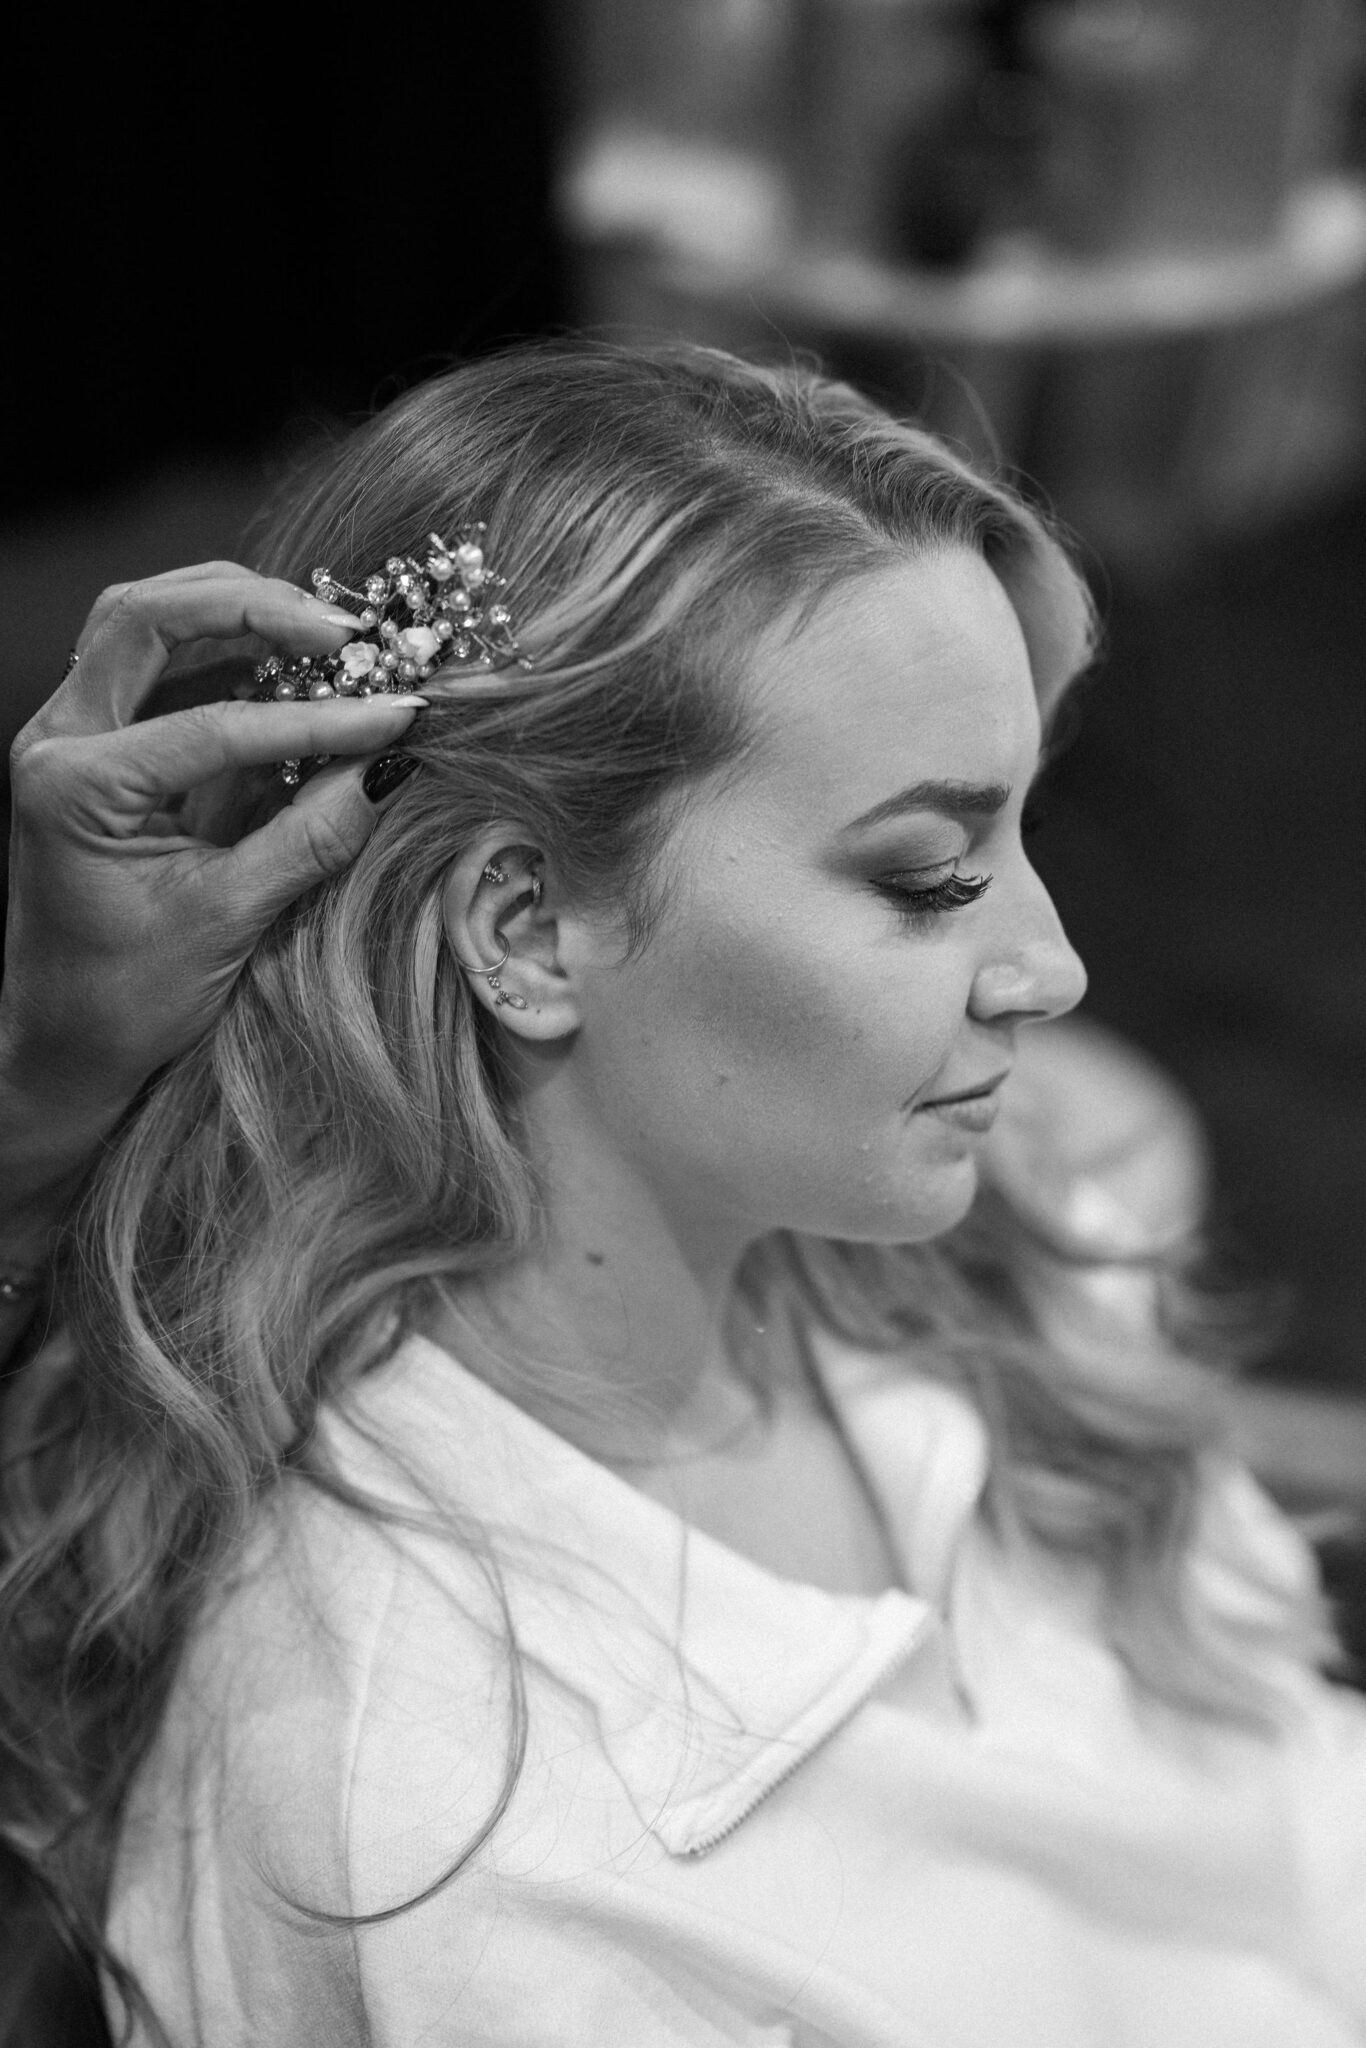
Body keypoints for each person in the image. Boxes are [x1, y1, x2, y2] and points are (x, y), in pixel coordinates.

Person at [0, 342, 1362, 2048]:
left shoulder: (918, 1246)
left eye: (1020, 834)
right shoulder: (459, 1858)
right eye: (928, 878)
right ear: (520, 932)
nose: (1054, 965)